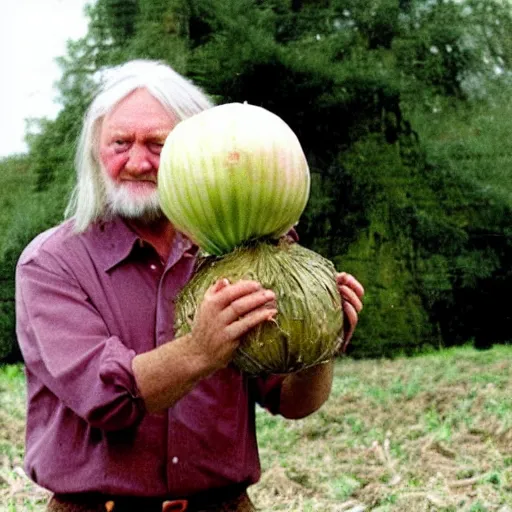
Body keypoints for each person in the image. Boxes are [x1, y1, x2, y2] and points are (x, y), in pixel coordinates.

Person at [15, 60, 364, 512]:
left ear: (196, 150)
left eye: (158, 144)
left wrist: (320, 342)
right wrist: (200, 350)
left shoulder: (246, 251)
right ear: (95, 151)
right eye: (120, 143)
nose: (137, 162)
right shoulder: (51, 264)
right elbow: (105, 400)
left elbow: (290, 400)